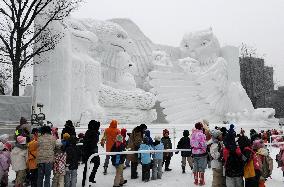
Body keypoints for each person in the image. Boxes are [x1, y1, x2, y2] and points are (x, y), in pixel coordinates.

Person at [82, 120, 101, 186]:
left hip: (87, 152)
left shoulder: (88, 132)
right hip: (91, 152)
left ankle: (86, 180)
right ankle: (88, 180)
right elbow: (93, 144)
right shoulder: (94, 133)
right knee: (95, 164)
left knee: (87, 167)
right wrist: (95, 152)